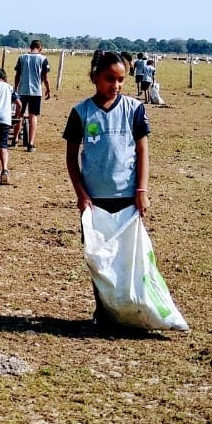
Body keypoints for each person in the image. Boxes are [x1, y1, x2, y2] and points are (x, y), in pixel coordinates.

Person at [64, 51, 151, 319]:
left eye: (121, 80)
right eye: (109, 79)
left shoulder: (134, 109)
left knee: (127, 257)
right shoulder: (81, 113)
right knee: (98, 258)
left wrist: (141, 191)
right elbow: (71, 157)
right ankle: (104, 311)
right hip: (94, 202)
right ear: (94, 78)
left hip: (127, 198)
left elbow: (143, 152)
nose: (116, 85)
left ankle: (130, 310)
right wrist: (81, 194)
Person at [13, 39, 51, 152]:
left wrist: (15, 88)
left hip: (22, 90)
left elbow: (17, 75)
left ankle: (15, 139)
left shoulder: (22, 57)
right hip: (35, 91)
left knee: (19, 115)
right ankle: (30, 143)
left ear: (30, 47)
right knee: (33, 116)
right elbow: (45, 78)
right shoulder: (43, 59)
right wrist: (48, 89)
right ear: (40, 48)